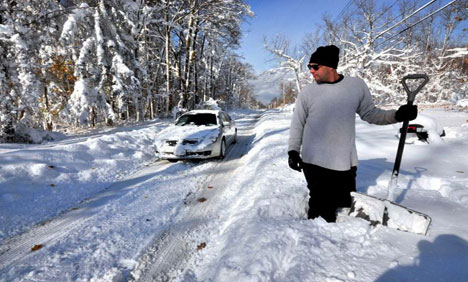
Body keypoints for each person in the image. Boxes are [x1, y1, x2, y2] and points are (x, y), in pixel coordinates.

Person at [288, 45, 417, 222]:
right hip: (314, 162)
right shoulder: (308, 92)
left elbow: (371, 114)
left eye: (315, 66)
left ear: (330, 66)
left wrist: (397, 115)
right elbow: (297, 123)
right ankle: (315, 243)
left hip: (344, 162)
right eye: (309, 67)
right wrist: (293, 151)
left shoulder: (355, 86)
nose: (311, 71)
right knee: (322, 212)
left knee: (345, 203)